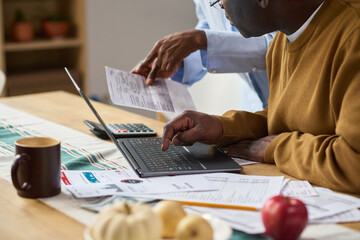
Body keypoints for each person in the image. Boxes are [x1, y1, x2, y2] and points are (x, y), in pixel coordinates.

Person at [161, 0, 360, 194]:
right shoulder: (283, 40)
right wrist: (222, 126)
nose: (220, 5)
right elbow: (287, 119)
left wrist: (276, 148)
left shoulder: (353, 33)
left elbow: (354, 163)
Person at [132, 0, 275, 111]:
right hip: (252, 104)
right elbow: (211, 25)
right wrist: (181, 60)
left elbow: (280, 44)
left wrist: (200, 40)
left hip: (288, 97)